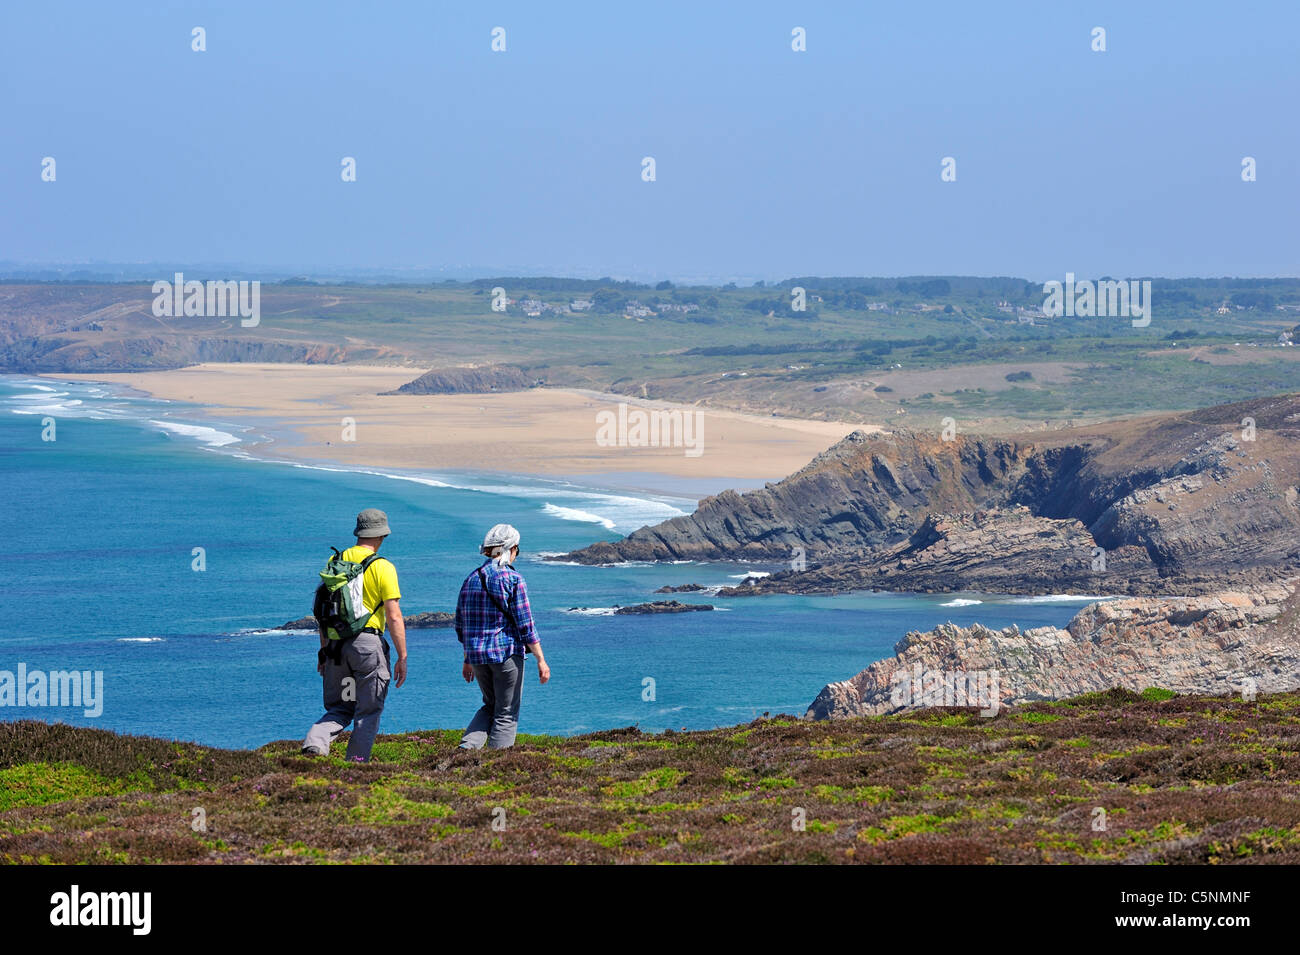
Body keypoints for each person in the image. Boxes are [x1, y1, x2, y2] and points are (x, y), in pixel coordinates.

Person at [302, 508, 408, 760]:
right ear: (382, 535)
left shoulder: (335, 562)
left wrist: (324, 650)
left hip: (336, 649)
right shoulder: (383, 567)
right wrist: (402, 656)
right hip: (366, 650)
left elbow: (326, 613)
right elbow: (393, 616)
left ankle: (315, 742)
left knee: (341, 707)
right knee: (368, 711)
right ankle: (356, 765)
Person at [455, 523, 549, 750]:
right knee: (506, 712)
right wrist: (541, 660)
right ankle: (497, 765)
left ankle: (466, 749)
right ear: (512, 548)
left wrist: (467, 658)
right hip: (505, 654)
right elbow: (526, 624)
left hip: (477, 656)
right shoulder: (513, 579)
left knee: (490, 705)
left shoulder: (471, 579)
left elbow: (461, 623)